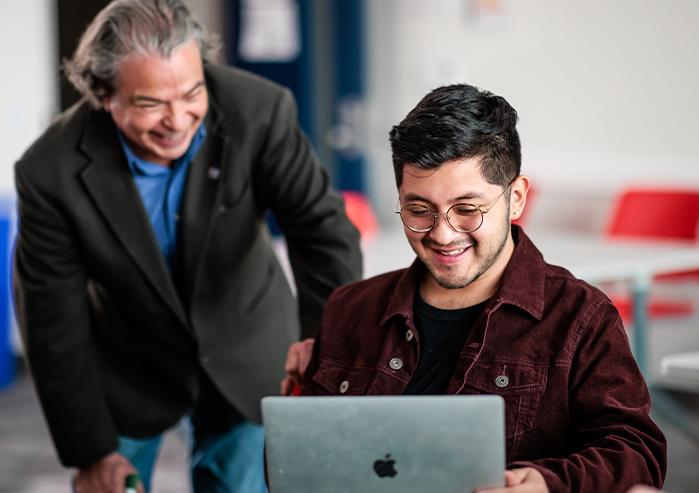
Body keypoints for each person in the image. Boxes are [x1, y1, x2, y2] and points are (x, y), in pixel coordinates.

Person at [12, 0, 362, 492]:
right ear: (102, 94)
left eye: (191, 92)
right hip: (130, 361)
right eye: (150, 103)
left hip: (251, 346)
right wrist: (90, 451)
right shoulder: (49, 171)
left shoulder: (259, 110)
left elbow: (324, 235)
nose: (178, 120)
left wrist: (328, 355)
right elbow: (51, 315)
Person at [284, 84, 666, 493]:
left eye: (467, 210)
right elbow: (299, 463)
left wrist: (547, 483)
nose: (443, 234)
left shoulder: (579, 317)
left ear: (515, 198)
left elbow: (636, 454)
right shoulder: (350, 309)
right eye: (418, 210)